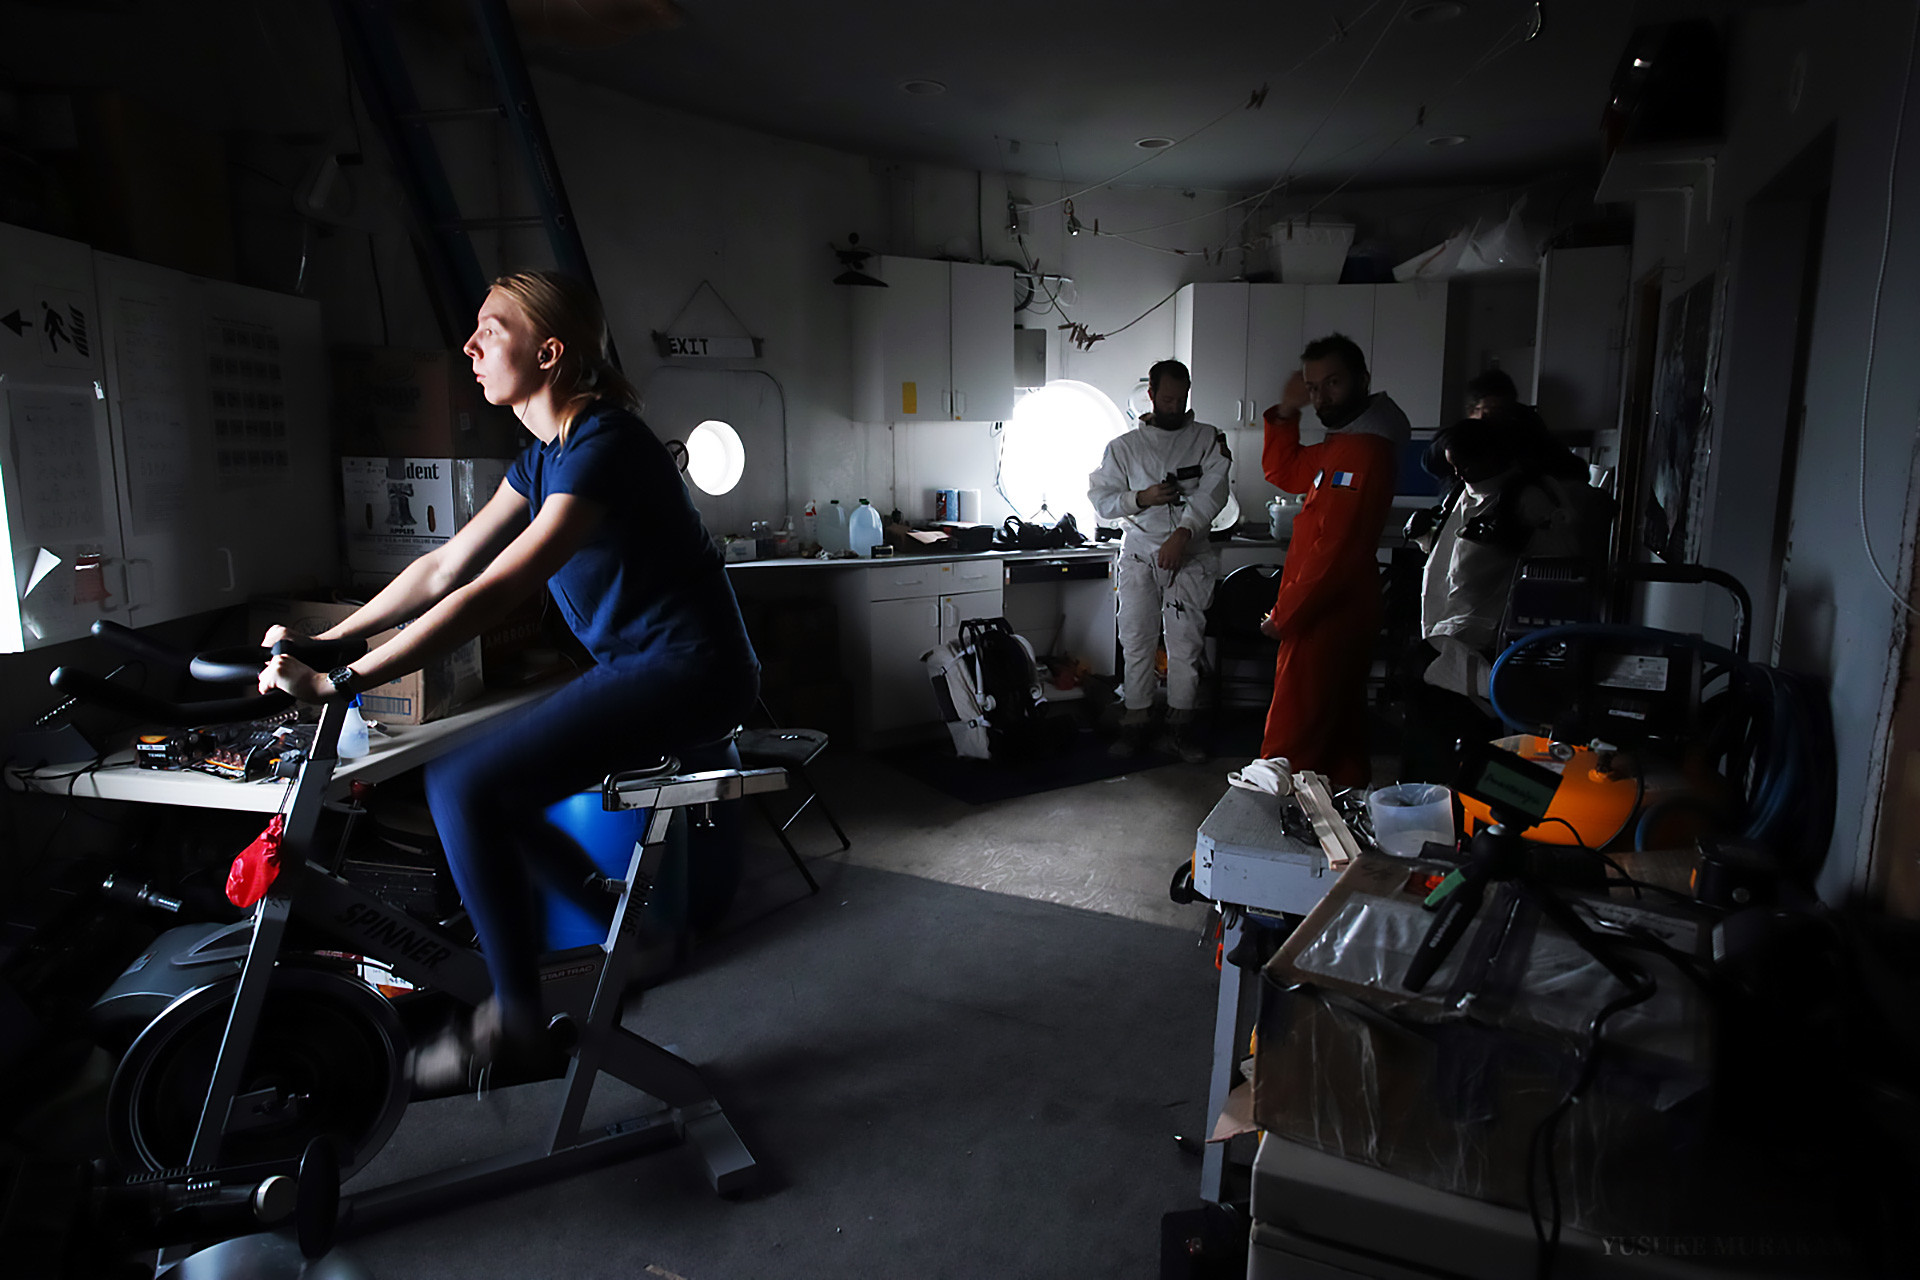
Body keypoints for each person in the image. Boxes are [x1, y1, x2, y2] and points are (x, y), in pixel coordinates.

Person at [257, 271, 760, 1086]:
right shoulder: (541, 458)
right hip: (645, 666)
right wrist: (329, 642)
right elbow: (443, 566)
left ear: (550, 353)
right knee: (488, 791)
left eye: (491, 329)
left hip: (693, 672)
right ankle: (632, 939)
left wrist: (345, 683)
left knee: (461, 788)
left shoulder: (606, 446)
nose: (470, 344)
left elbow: (496, 588)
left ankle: (519, 1021)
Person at [1399, 406, 1613, 781]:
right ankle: (1433, 789)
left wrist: (1514, 540)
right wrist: (1426, 537)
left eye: (1467, 464)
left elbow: (1561, 563)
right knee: (1426, 697)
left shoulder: (1527, 497)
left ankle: (1466, 791)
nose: (1461, 472)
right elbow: (1454, 557)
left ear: (1495, 455)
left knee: (1455, 711)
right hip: (1453, 621)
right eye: (1455, 466)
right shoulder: (1463, 493)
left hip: (1498, 630)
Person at [1255, 333, 1410, 789]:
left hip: (1327, 614)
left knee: (1292, 737)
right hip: (1333, 608)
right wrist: (1286, 413)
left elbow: (1335, 551)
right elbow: (1285, 472)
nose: (1321, 397)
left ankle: (1273, 833)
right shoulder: (1344, 443)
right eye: (1313, 387)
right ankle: (1343, 819)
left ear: (1363, 380)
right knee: (1337, 730)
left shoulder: (1363, 451)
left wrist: (1288, 616)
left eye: (1333, 383)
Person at [1088, 358, 1232, 762]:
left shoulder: (1207, 439)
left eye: (1181, 398)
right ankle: (1135, 723)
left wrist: (1183, 533)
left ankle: (1181, 728)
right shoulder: (1123, 448)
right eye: (1166, 398)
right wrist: (1142, 498)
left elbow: (1213, 492)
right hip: (1138, 550)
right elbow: (1101, 502)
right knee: (1136, 641)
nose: (1174, 406)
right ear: (1150, 395)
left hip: (1188, 552)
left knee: (1184, 645)